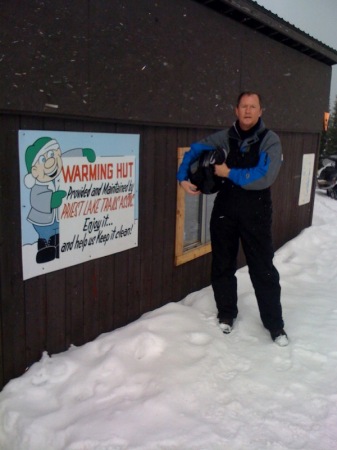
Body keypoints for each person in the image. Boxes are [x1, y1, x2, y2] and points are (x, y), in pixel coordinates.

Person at [177, 91, 288, 347]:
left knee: (263, 270)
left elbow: (264, 176)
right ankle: (226, 313)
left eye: (253, 107)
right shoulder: (224, 138)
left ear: (260, 112)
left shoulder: (270, 141)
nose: (248, 111)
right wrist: (183, 177)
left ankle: (275, 325)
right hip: (225, 209)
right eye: (243, 106)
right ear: (236, 111)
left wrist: (228, 171)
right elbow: (194, 151)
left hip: (256, 213)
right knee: (222, 265)